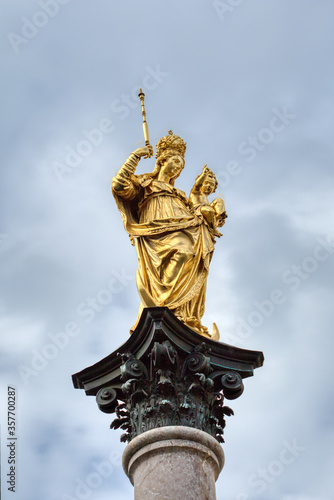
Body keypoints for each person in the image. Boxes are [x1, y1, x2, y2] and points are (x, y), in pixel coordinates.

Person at [111, 131, 223, 339]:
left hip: (184, 226)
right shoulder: (146, 184)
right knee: (182, 250)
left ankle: (182, 314)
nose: (179, 167)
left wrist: (210, 212)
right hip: (156, 231)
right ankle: (164, 304)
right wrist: (134, 157)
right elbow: (119, 185)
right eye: (175, 161)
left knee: (191, 256)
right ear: (162, 160)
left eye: (182, 164)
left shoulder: (180, 194)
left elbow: (198, 212)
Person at [189, 165, 227, 237]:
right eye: (206, 183)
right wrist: (203, 175)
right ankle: (213, 228)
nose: (209, 186)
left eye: (212, 185)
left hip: (207, 210)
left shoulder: (206, 200)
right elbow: (197, 185)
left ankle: (219, 217)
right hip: (197, 210)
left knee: (219, 200)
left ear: (214, 189)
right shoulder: (196, 192)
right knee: (209, 210)